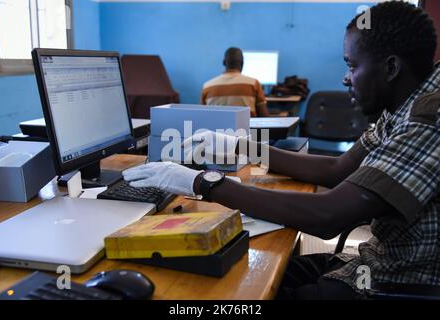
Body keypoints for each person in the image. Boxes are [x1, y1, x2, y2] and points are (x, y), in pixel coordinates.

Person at [122, 1, 439, 299]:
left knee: (240, 293)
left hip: (398, 284)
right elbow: (336, 170)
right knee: (244, 271)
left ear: (391, 68)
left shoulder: (429, 117)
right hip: (373, 264)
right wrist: (244, 146)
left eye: (352, 65)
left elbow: (328, 216)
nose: (345, 78)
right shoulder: (401, 107)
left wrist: (202, 183)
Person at [200, 47, 269, 117]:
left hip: (217, 128)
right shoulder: (254, 84)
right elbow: (264, 117)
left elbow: (202, 116)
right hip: (245, 128)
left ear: (224, 62)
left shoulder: (207, 86)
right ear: (242, 63)